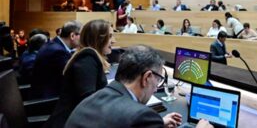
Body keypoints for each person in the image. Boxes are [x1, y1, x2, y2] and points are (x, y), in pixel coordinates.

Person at [65, 45, 213, 128]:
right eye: (158, 79)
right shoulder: (142, 116)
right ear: (147, 77)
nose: (156, 88)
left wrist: (158, 124)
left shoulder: (92, 99)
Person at [45, 20, 114, 128]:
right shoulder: (87, 60)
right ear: (98, 39)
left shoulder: (88, 56)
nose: (113, 41)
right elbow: (89, 103)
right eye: (109, 36)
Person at [32, 21, 82, 99]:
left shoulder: (53, 44)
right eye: (82, 35)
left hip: (46, 93)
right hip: (49, 100)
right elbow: (74, 75)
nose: (83, 39)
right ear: (72, 36)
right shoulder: (58, 51)